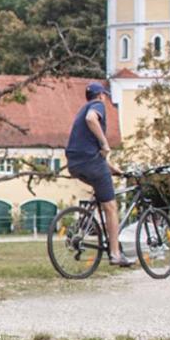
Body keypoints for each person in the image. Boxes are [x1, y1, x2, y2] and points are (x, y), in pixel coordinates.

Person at [65, 82, 132, 267]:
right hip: (90, 162)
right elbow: (91, 119)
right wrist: (104, 143)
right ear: (101, 95)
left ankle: (85, 225)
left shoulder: (80, 110)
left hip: (75, 163)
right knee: (111, 207)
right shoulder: (97, 106)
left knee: (100, 190)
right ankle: (115, 254)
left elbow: (88, 149)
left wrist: (111, 168)